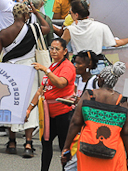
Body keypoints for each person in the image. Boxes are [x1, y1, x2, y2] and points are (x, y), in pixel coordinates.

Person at [34, 38, 75, 171]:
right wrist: (29, 109)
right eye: (51, 48)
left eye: (57, 49)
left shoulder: (67, 66)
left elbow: (61, 83)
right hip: (48, 114)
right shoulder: (53, 65)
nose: (53, 51)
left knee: (64, 147)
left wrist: (46, 70)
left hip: (63, 113)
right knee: (46, 143)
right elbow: (41, 89)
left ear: (65, 51)